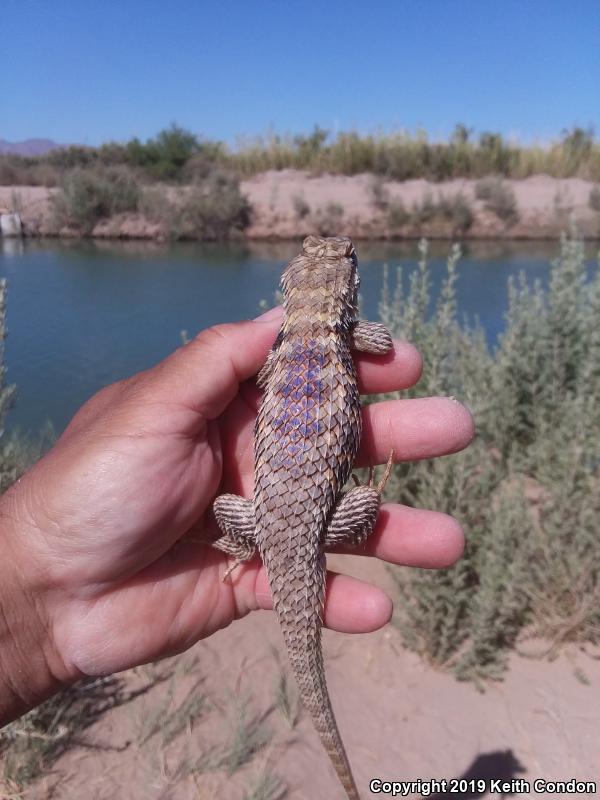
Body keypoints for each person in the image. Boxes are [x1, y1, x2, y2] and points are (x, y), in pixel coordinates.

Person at [0, 307, 474, 727]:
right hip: (305, 523)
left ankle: (245, 543)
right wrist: (352, 329)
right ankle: (263, 538)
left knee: (228, 509)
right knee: (366, 504)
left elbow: (266, 378)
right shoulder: (346, 331)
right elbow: (385, 344)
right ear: (347, 287)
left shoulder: (285, 342)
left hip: (261, 518)